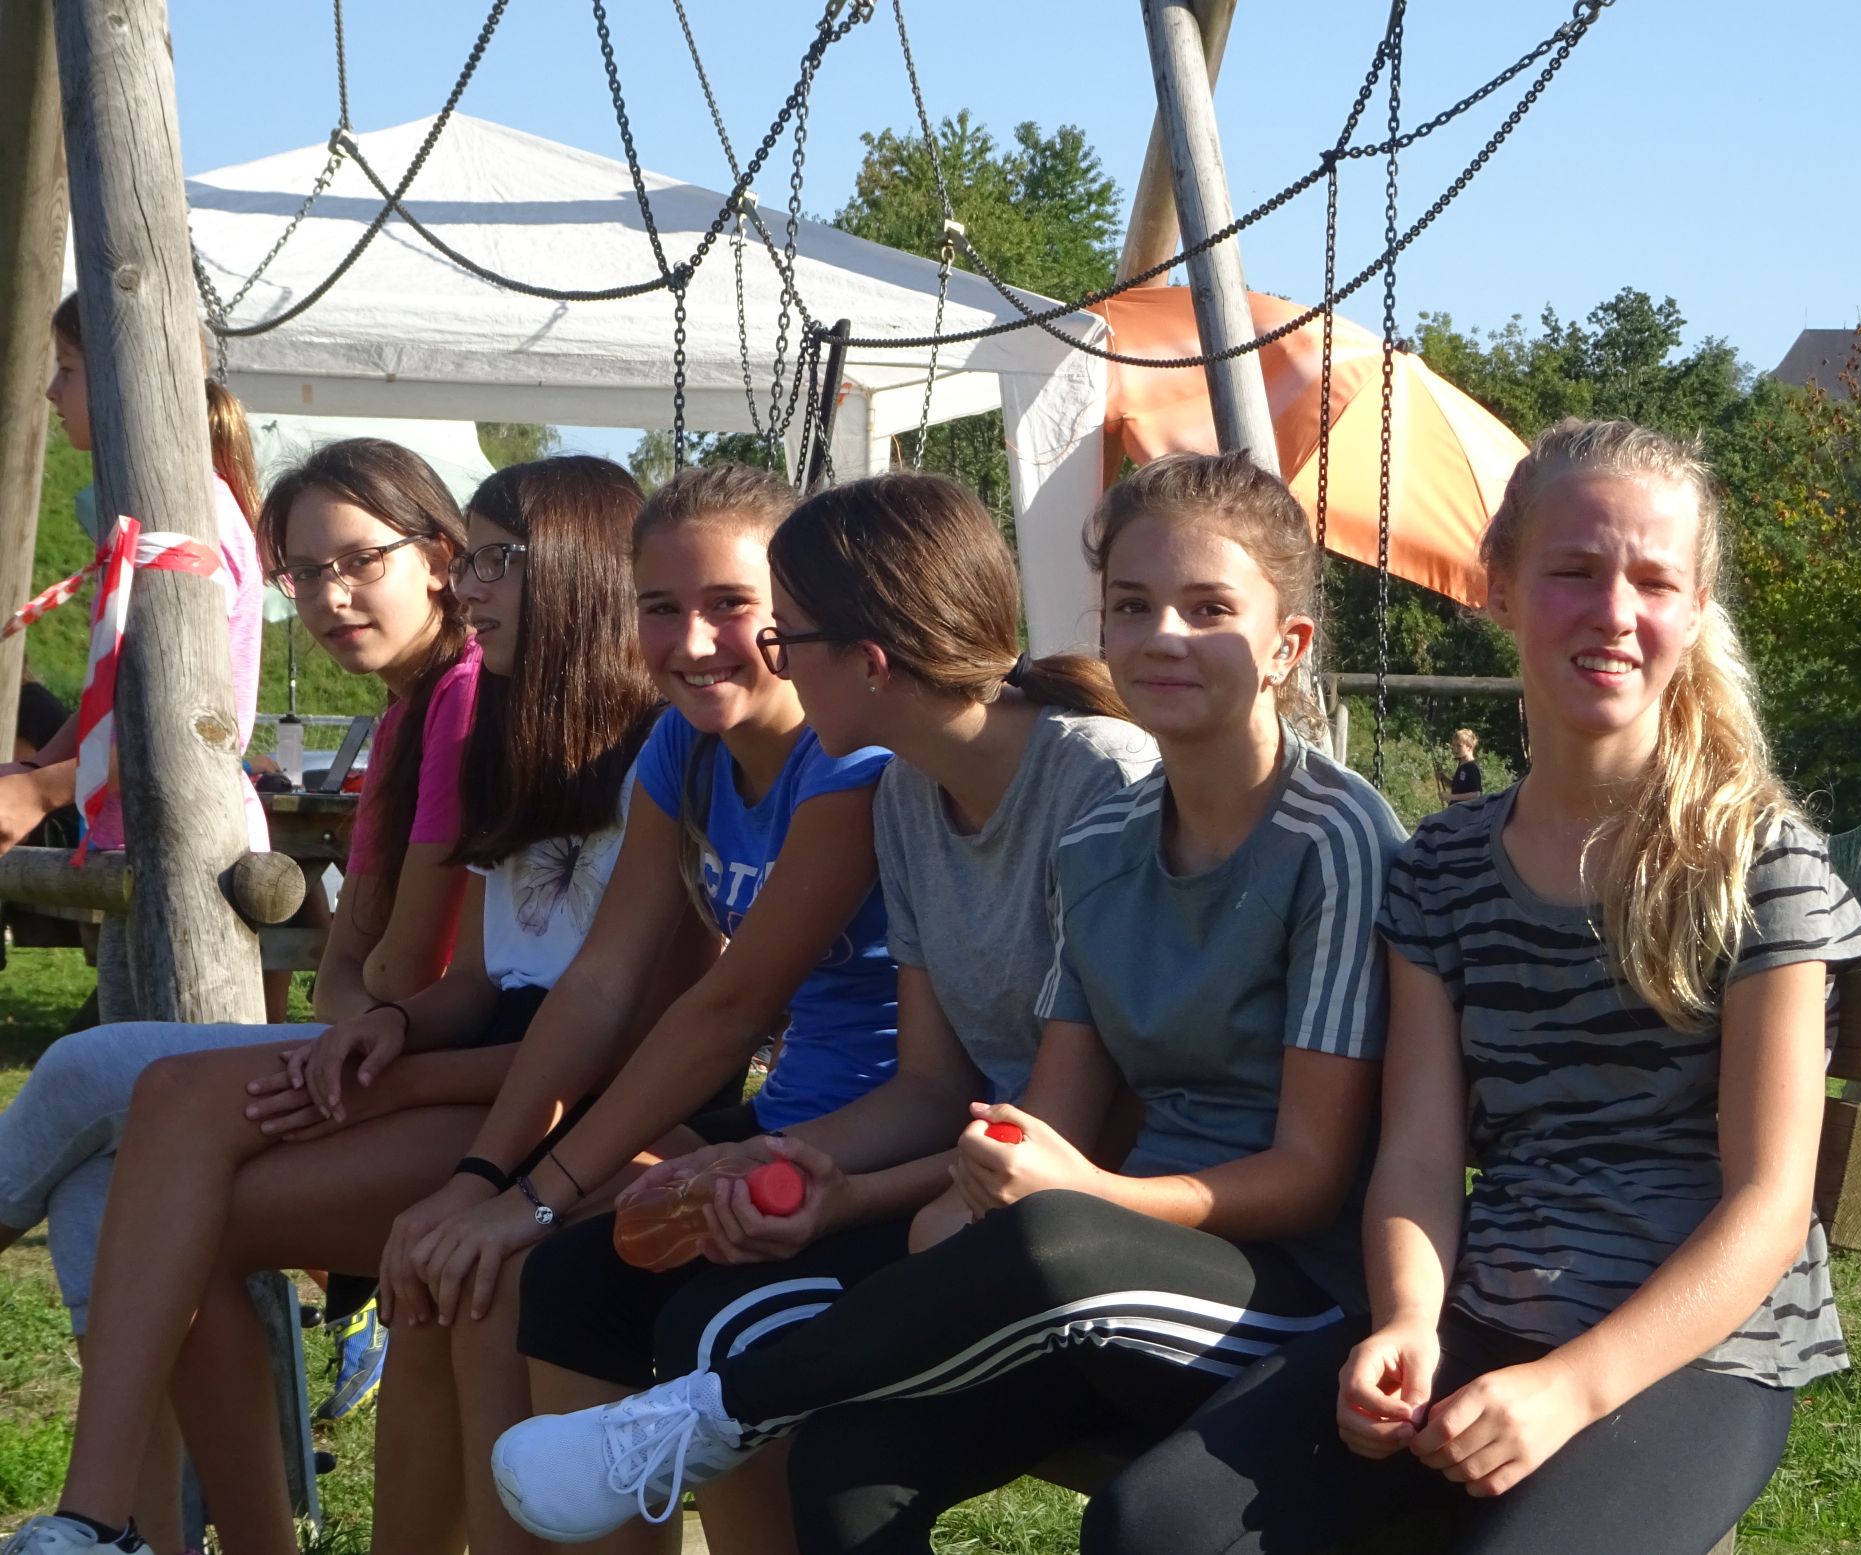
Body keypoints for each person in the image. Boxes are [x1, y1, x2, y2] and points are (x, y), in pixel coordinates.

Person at [490, 450, 1408, 1554]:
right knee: (845, 1464)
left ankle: (707, 1419)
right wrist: (846, 1187)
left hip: (1293, 1281)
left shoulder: (1325, 835)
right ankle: (702, 1418)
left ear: (1285, 645)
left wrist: (1068, 1192)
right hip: (1100, 1233)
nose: (1162, 634)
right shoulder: (1102, 835)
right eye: (1130, 605)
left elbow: (1306, 1175)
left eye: (1206, 607)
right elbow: (1034, 1108)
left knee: (1033, 1253)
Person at [1074, 419, 1861, 1555]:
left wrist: (1570, 1388)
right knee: (1152, 1525)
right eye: (1574, 571)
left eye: (1653, 582)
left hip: (1695, 1352)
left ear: (1695, 611)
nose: (1613, 612)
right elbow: (1415, 1153)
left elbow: (1768, 1204)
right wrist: (1406, 1321)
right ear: (1497, 586)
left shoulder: (1758, 864)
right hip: (1479, 1312)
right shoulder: (1442, 869)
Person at [0, 455, 661, 1555]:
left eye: (490, 561)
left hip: (568, 1117)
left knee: (117, 1107)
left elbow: (605, 1029)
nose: (469, 586)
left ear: (580, 572)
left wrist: (392, 1043)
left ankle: (106, 1518)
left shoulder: (630, 749)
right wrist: (386, 1028)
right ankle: (105, 1520)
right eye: (302, 573)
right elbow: (459, 980)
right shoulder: (513, 737)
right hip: (482, 1069)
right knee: (149, 1165)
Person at [506, 471, 1155, 1555]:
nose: (773, 659)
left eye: (784, 635)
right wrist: (781, 1161)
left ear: (871, 661)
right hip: (973, 1169)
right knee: (577, 1279)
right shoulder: (907, 792)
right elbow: (932, 1087)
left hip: (1084, 1199)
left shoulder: (1097, 783)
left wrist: (843, 1193)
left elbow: (1074, 1128)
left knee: (725, 1328)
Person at [373, 462, 906, 1555]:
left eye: (731, 604)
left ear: (797, 611)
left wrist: (533, 1198)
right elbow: (600, 982)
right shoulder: (683, 746)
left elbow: (729, 1006)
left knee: (562, 1270)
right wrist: (484, 1180)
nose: (693, 641)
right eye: (661, 607)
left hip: (880, 1142)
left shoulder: (852, 758)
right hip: (783, 1120)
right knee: (495, 1281)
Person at [0, 295, 270, 1015]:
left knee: (166, 1055)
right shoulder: (153, 524)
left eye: (67, 369)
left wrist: (42, 791)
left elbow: (176, 728)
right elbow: (117, 690)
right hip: (150, 841)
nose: (51, 391)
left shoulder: (186, 525)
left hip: (192, 852)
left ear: (130, 382)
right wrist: (35, 765)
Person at [1444, 727, 1482, 804]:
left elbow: (1476, 795)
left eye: (1459, 746)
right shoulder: (1462, 763)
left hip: (1466, 810)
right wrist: (1444, 778)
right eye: (1454, 745)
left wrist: (1451, 797)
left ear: (1469, 747)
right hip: (1456, 808)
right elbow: (1459, 787)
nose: (1455, 749)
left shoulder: (1471, 767)